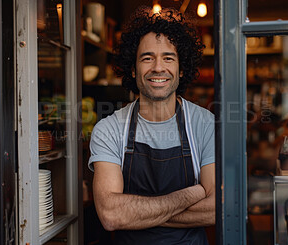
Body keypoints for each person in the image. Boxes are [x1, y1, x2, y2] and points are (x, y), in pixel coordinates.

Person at [88, 6, 215, 245]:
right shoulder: (109, 129)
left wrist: (137, 212)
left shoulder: (205, 124)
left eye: (168, 57)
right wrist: (193, 193)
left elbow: (216, 208)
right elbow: (111, 215)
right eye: (147, 58)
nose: (158, 67)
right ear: (133, 69)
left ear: (181, 68)